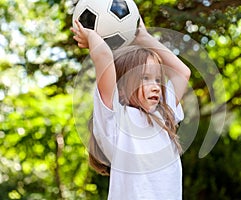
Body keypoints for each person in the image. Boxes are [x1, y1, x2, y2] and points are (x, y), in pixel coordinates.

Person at [71, 18, 191, 200]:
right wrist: (91, 36)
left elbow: (183, 72)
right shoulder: (115, 120)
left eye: (158, 79)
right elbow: (104, 56)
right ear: (121, 88)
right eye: (145, 78)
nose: (157, 86)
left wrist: (145, 38)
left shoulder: (163, 115)